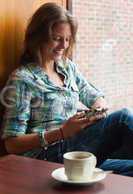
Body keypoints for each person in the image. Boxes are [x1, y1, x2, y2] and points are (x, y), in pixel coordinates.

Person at [1, 2, 133, 177]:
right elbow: (11, 143)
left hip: (74, 148)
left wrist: (96, 111)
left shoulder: (67, 67)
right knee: (123, 118)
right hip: (45, 155)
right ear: (38, 36)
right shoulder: (22, 79)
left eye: (67, 39)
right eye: (57, 38)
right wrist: (62, 132)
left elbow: (94, 95)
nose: (63, 45)